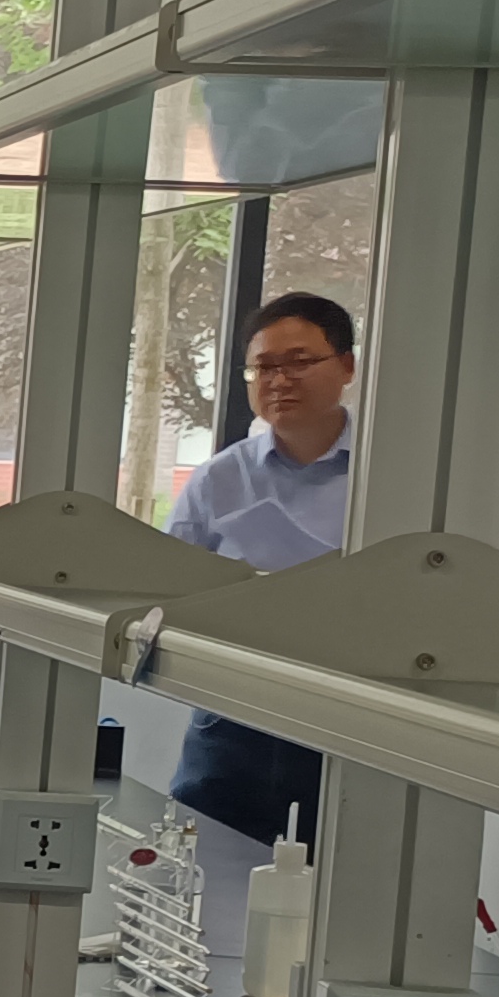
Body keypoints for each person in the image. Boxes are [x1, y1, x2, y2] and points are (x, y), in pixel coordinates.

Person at [161, 290, 358, 842]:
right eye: (263, 367)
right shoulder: (220, 479)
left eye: (299, 362)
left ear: (346, 366)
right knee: (200, 865)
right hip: (232, 716)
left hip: (345, 718)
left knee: (335, 871)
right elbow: (166, 588)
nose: (279, 380)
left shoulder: (389, 475)